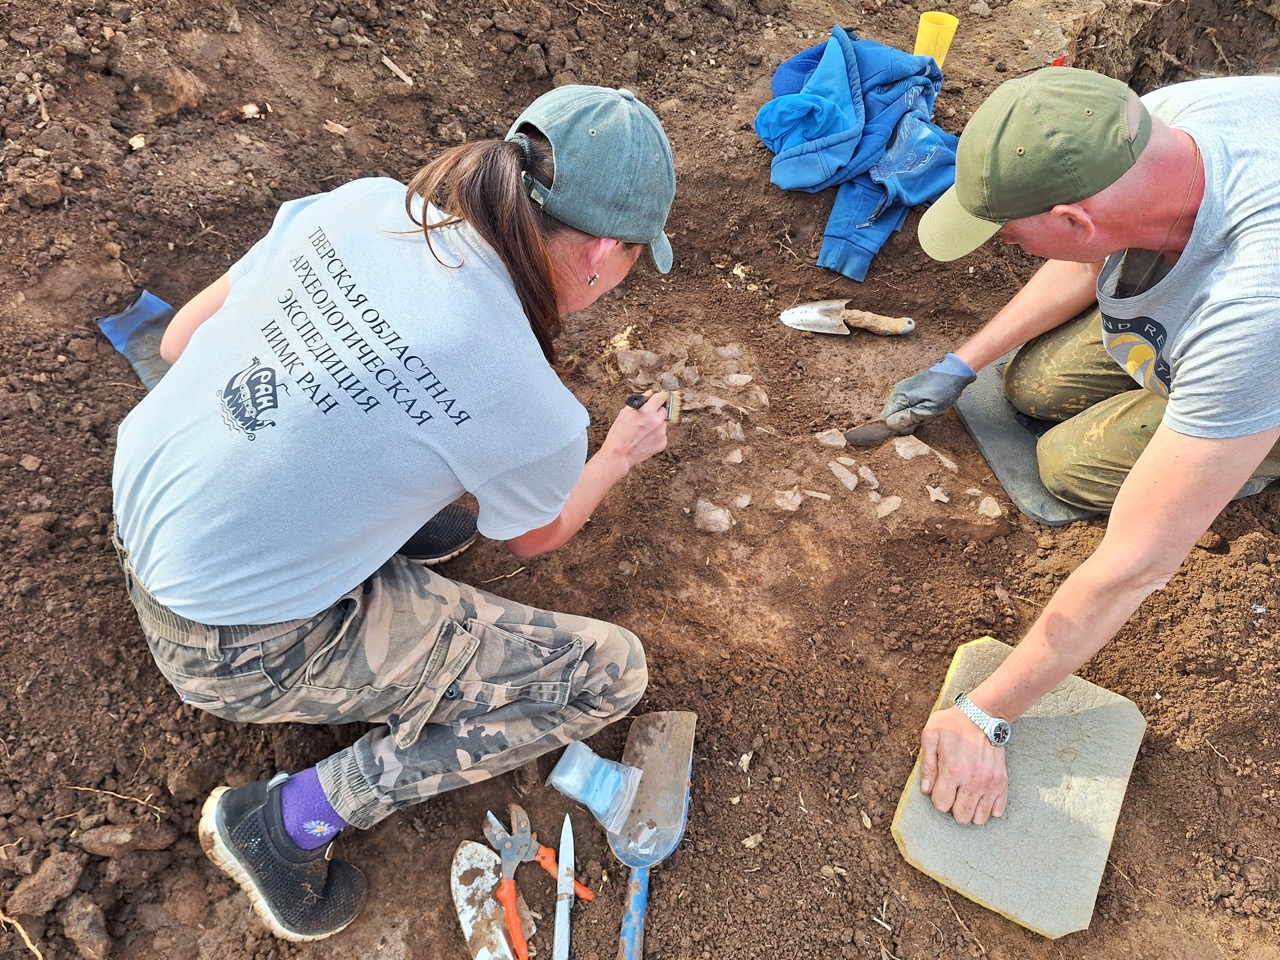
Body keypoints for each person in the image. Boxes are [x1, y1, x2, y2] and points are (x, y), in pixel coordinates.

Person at [110, 85, 677, 940]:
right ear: (602, 250)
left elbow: (183, 341)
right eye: (637, 254)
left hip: (141, 505)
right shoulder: (533, 406)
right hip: (229, 645)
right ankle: (287, 822)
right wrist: (617, 454)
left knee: (418, 482)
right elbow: (539, 535)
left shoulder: (365, 205)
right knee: (608, 674)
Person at [870, 66, 1280, 824]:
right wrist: (963, 364)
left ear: (1072, 220)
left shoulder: (1255, 307)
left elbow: (1135, 567)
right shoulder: (1142, 124)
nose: (1005, 245)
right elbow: (1085, 255)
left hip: (1263, 362)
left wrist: (985, 715)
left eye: (1010, 232)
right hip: (1214, 297)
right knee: (1026, 384)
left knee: (1065, 465)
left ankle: (1247, 453)